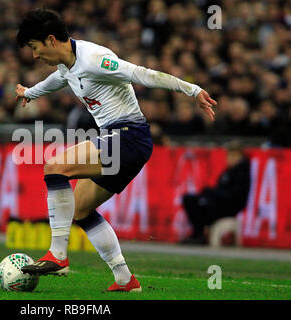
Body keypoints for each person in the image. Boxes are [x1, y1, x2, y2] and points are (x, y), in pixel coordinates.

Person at [14, 9, 217, 292]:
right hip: (120, 139)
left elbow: (142, 74)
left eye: (35, 48)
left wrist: (192, 90)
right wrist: (29, 93)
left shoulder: (94, 59)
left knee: (54, 167)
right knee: (82, 208)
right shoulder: (66, 65)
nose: (35, 56)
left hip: (128, 137)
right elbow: (58, 80)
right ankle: (125, 279)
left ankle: (58, 255)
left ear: (50, 40)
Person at [181, 140, 250, 245]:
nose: (231, 158)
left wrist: (211, 193)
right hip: (219, 204)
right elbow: (219, 190)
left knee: (203, 203)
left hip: (229, 208)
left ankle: (200, 235)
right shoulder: (227, 172)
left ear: (241, 157)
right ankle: (198, 234)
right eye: (230, 155)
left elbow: (234, 196)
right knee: (190, 199)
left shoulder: (242, 174)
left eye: (235, 155)